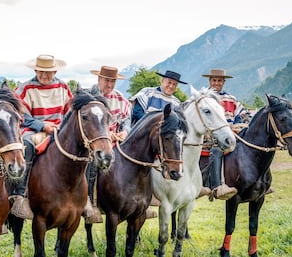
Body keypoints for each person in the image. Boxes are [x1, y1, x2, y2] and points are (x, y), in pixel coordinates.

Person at [11, 54, 73, 220]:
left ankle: (86, 198)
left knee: (81, 149)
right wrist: (43, 126)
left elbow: (70, 112)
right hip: (33, 130)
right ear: (35, 70)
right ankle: (20, 195)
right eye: (41, 72)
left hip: (59, 130)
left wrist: (62, 127)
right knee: (27, 145)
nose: (45, 75)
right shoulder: (25, 89)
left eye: (49, 72)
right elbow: (20, 116)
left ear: (55, 71)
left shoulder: (63, 87)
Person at [130, 70, 188, 213]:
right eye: (169, 82)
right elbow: (137, 112)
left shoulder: (176, 103)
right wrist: (153, 124)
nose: (171, 86)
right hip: (142, 137)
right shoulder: (148, 93)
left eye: (174, 84)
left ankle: (165, 194)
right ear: (162, 81)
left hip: (163, 141)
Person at [83, 66, 132, 223]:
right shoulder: (89, 97)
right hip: (93, 142)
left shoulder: (121, 99)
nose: (110, 84)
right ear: (99, 80)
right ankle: (88, 201)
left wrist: (124, 132)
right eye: (106, 80)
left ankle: (136, 201)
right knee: (91, 162)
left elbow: (126, 122)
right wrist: (104, 136)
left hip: (116, 142)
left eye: (113, 81)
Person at [201, 69, 246, 200]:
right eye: (214, 80)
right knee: (217, 149)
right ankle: (217, 186)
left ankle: (258, 182)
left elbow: (241, 115)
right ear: (209, 81)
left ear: (223, 82)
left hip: (230, 135)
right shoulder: (203, 98)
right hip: (209, 138)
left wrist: (237, 126)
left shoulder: (231, 99)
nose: (216, 83)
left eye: (219, 80)